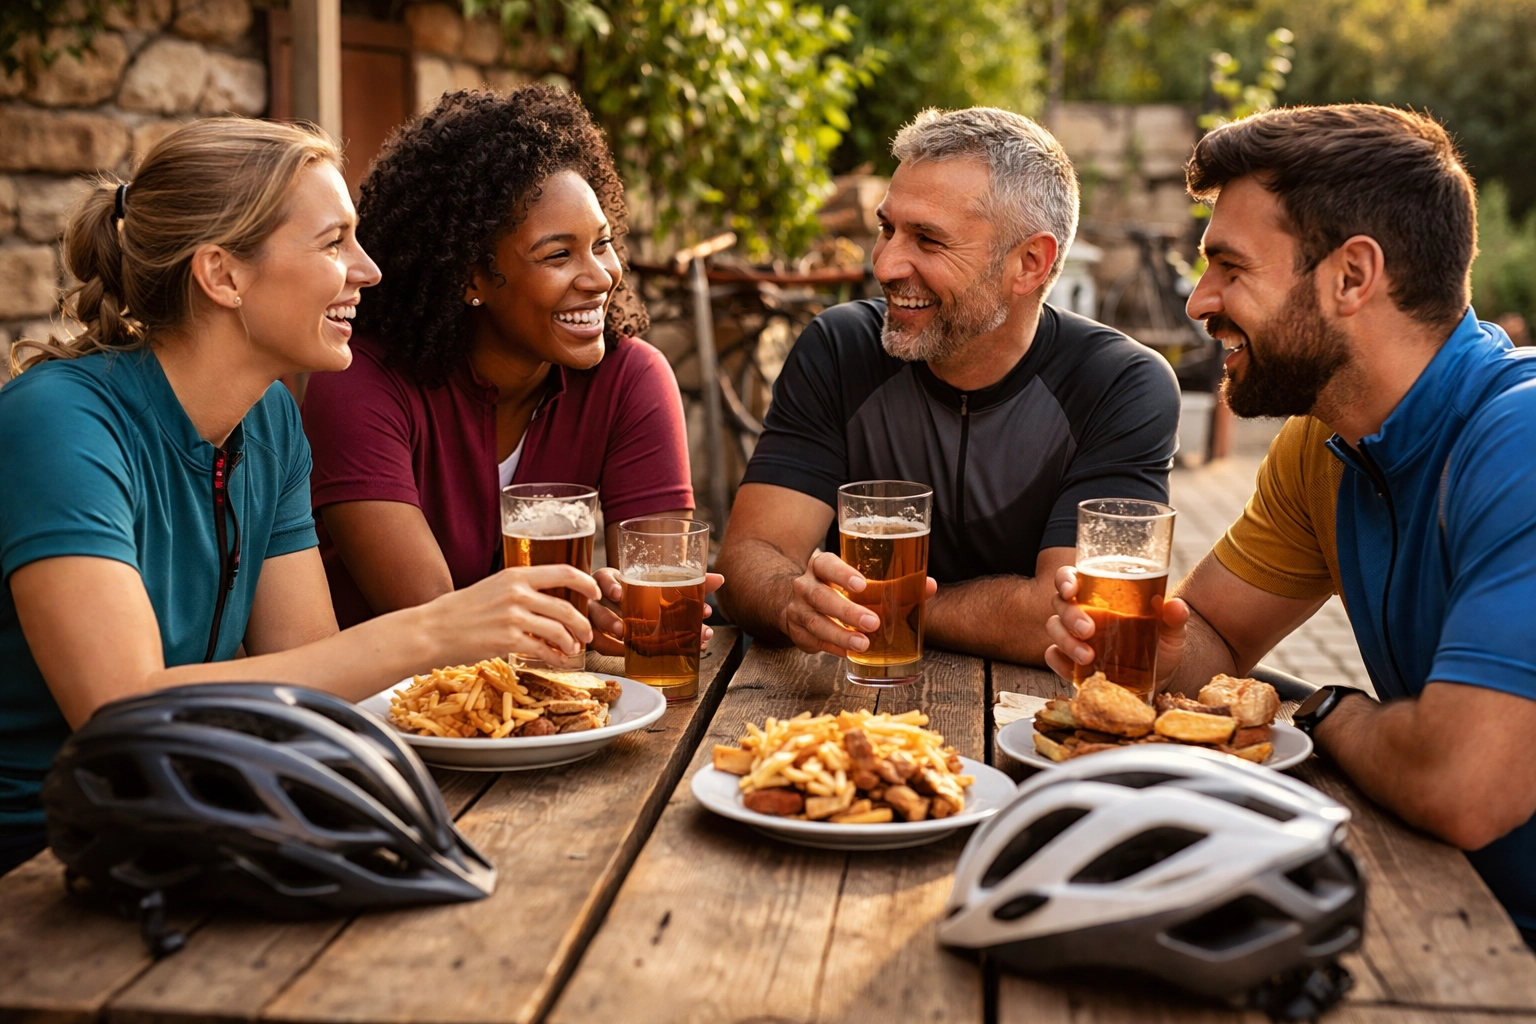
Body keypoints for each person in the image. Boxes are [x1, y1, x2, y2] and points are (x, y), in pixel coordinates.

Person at [0, 119, 600, 875]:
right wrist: (438, 629)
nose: (369, 269)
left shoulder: (270, 421)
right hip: (36, 862)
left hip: (190, 827)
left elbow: (312, 670)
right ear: (222, 275)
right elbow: (122, 706)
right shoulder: (58, 423)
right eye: (333, 242)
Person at [1043, 104, 1536, 942]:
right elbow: (1211, 636)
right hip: (1444, 900)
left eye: (1230, 267)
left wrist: (1322, 710)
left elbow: (1463, 784)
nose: (1201, 302)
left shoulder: (1519, 442)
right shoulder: (1326, 443)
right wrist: (1159, 654)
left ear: (1352, 276)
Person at [716, 107, 1180, 665]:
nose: (886, 264)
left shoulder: (1122, 385)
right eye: (887, 228)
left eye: (928, 240)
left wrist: (882, 605)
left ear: (1030, 263)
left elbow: (1073, 622)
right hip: (850, 705)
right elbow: (749, 558)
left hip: (1029, 728)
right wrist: (794, 604)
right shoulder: (840, 348)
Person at [301, 87, 707, 651]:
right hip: (382, 717)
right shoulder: (361, 384)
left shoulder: (630, 380)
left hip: (547, 707)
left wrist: (619, 608)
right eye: (558, 255)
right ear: (470, 277)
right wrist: (577, 609)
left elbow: (660, 601)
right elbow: (434, 621)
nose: (600, 276)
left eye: (603, 243)